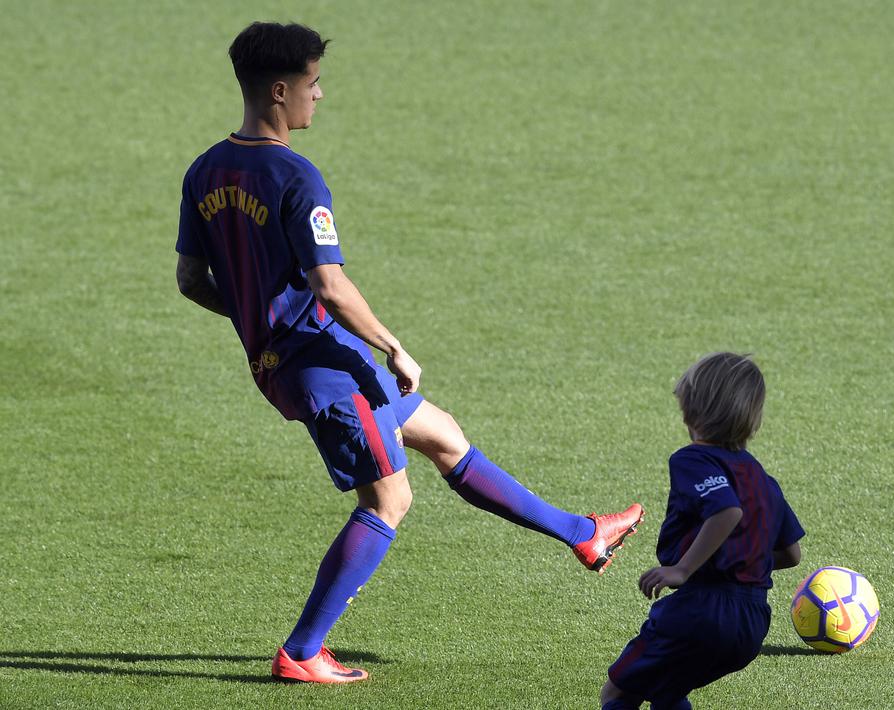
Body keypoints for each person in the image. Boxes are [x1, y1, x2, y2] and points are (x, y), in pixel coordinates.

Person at [175, 21, 643, 684]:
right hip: (326, 368)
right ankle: (302, 652)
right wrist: (393, 346)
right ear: (279, 90)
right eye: (313, 83)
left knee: (443, 435)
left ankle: (582, 535)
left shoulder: (204, 171)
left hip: (293, 361)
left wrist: (256, 317)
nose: (320, 95)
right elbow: (330, 286)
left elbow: (191, 281)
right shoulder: (295, 176)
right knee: (387, 501)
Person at [600, 353, 805, 710]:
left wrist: (683, 569)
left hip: (702, 609)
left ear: (690, 411)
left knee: (618, 692)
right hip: (752, 621)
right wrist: (741, 559)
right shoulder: (763, 479)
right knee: (667, 692)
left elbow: (726, 511)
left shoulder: (693, 459)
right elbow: (791, 554)